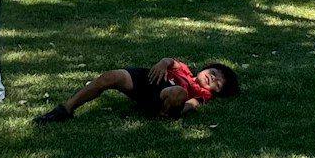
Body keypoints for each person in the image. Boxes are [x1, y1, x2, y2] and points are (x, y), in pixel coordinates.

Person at [33, 58, 240, 123]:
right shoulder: (183, 68)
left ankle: (161, 113)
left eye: (217, 83)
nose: (211, 78)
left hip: (164, 97)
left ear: (214, 92)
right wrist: (161, 63)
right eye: (213, 72)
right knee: (110, 76)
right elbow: (170, 61)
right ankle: (66, 109)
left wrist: (175, 110)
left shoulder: (202, 94)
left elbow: (190, 104)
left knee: (179, 92)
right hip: (150, 80)